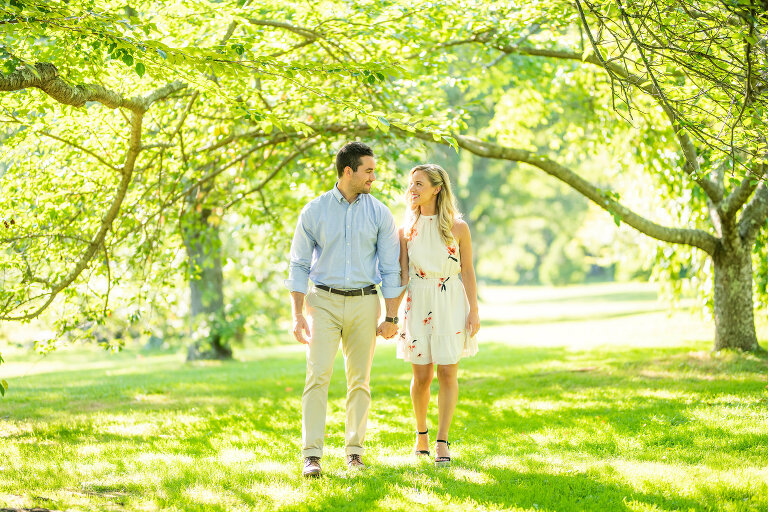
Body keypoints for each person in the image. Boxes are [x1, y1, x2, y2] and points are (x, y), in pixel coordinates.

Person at [285, 141, 402, 478]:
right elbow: (298, 266)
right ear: (348, 171)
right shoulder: (314, 211)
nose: (373, 177)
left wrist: (391, 316)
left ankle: (354, 452)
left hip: (366, 302)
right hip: (323, 303)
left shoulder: (379, 212)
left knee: (360, 381)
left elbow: (392, 268)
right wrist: (296, 315)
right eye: (368, 170)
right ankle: (312, 456)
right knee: (317, 376)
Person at [395, 163, 480, 466]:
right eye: (411, 184)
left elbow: (467, 271)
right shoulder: (406, 230)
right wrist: (391, 316)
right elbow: (403, 275)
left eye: (419, 183)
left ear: (437, 188)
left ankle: (443, 441)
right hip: (417, 302)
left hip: (451, 303)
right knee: (422, 376)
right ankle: (421, 435)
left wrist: (474, 311)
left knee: (447, 372)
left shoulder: (458, 228)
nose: (413, 189)